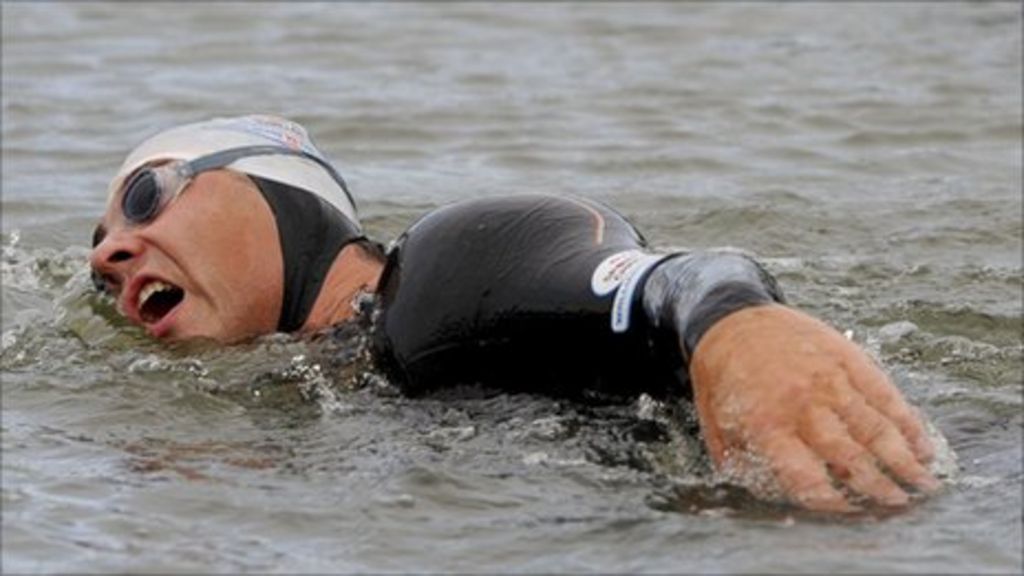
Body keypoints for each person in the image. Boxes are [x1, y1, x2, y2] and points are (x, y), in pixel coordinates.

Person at [89, 115, 940, 513]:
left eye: (146, 196)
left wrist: (739, 324)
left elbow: (672, 280)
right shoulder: (318, 388)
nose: (110, 254)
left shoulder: (449, 270)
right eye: (99, 258)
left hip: (897, 485)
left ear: (273, 187)